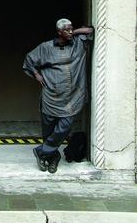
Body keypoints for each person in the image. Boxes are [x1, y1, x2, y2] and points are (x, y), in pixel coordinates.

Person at [23, 18, 93, 173]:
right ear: (58, 32)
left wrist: (72, 32)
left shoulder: (77, 43)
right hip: (51, 97)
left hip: (71, 98)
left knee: (64, 127)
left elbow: (90, 31)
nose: (70, 32)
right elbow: (29, 60)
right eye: (66, 30)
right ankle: (52, 158)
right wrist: (37, 75)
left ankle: (41, 152)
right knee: (48, 132)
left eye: (71, 29)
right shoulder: (45, 47)